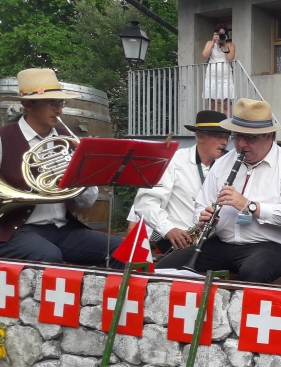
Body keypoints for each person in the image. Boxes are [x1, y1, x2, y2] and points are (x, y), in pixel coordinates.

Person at [157, 99, 281, 283]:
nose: (241, 144)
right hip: (223, 243)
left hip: (270, 245)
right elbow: (201, 204)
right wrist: (203, 218)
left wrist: (250, 206)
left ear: (269, 136)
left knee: (254, 272)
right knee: (164, 268)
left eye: (250, 138)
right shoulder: (223, 162)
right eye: (237, 136)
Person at [0, 68, 123, 265]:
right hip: (16, 230)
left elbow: (88, 201)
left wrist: (80, 171)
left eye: (60, 103)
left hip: (63, 229)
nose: (59, 110)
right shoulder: (3, 138)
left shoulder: (68, 141)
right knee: (48, 255)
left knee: (124, 249)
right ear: (27, 104)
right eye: (51, 103)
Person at [133, 110, 230, 253]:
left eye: (227, 137)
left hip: (216, 242)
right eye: (219, 136)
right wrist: (168, 229)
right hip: (179, 242)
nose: (225, 142)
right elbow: (145, 202)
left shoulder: (229, 165)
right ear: (200, 136)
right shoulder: (173, 161)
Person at [202, 24, 236, 116]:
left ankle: (227, 123)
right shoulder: (210, 43)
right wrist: (213, 41)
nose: (221, 36)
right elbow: (205, 55)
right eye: (219, 33)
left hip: (226, 77)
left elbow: (230, 58)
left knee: (226, 105)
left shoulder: (230, 45)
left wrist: (224, 44)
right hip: (212, 77)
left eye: (223, 34)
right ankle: (213, 123)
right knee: (212, 105)